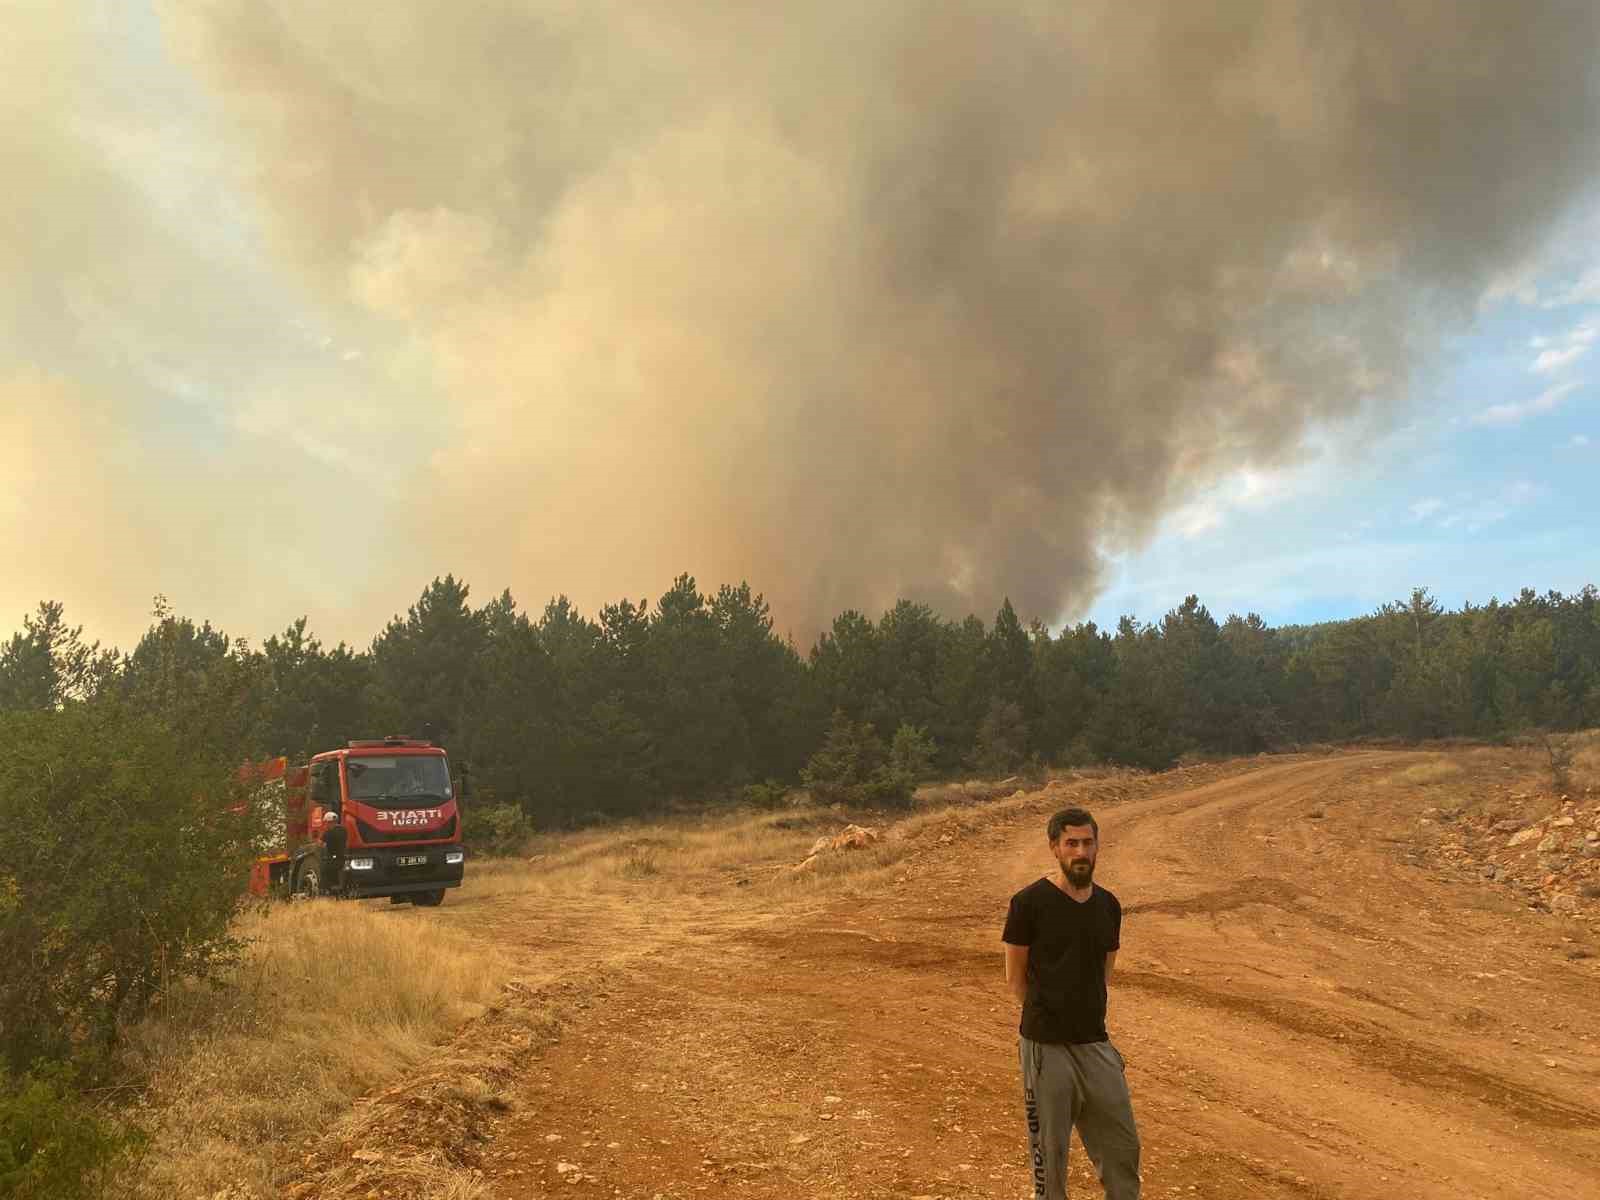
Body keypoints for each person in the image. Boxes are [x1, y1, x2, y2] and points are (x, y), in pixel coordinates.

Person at [1002, 806, 1140, 1199]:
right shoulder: (1028, 903)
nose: (1081, 851)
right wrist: (1049, 1017)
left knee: (1122, 1149)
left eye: (1088, 843)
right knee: (1050, 1157)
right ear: (1054, 848)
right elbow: (1015, 978)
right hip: (1045, 1048)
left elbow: (1104, 974)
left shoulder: (1108, 906)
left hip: (1095, 1044)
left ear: (1097, 847)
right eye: (1071, 843)